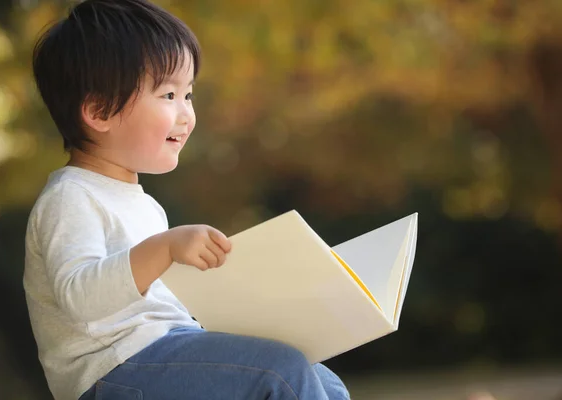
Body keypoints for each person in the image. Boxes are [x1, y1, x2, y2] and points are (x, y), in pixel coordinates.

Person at [24, 0, 350, 399]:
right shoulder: (70, 197)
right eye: (168, 95)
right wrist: (164, 249)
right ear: (99, 110)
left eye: (189, 94)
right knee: (280, 372)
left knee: (317, 375)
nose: (186, 114)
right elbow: (78, 297)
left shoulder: (144, 205)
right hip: (113, 371)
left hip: (162, 353)